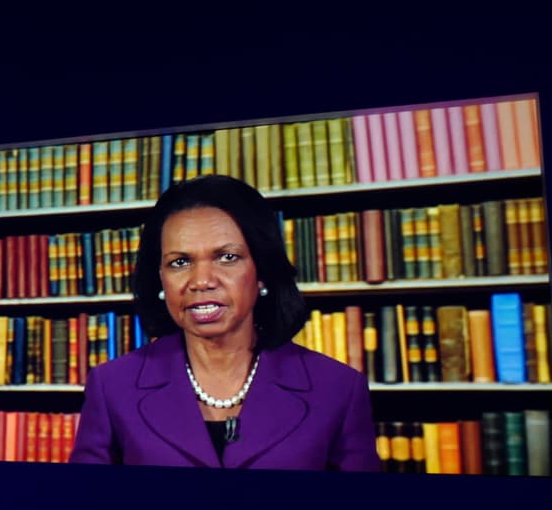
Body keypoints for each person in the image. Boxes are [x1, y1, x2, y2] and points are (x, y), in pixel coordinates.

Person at [69, 174, 380, 471]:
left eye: (227, 257)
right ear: (160, 278)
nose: (201, 281)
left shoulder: (339, 389)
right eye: (180, 262)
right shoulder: (112, 387)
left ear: (262, 272)